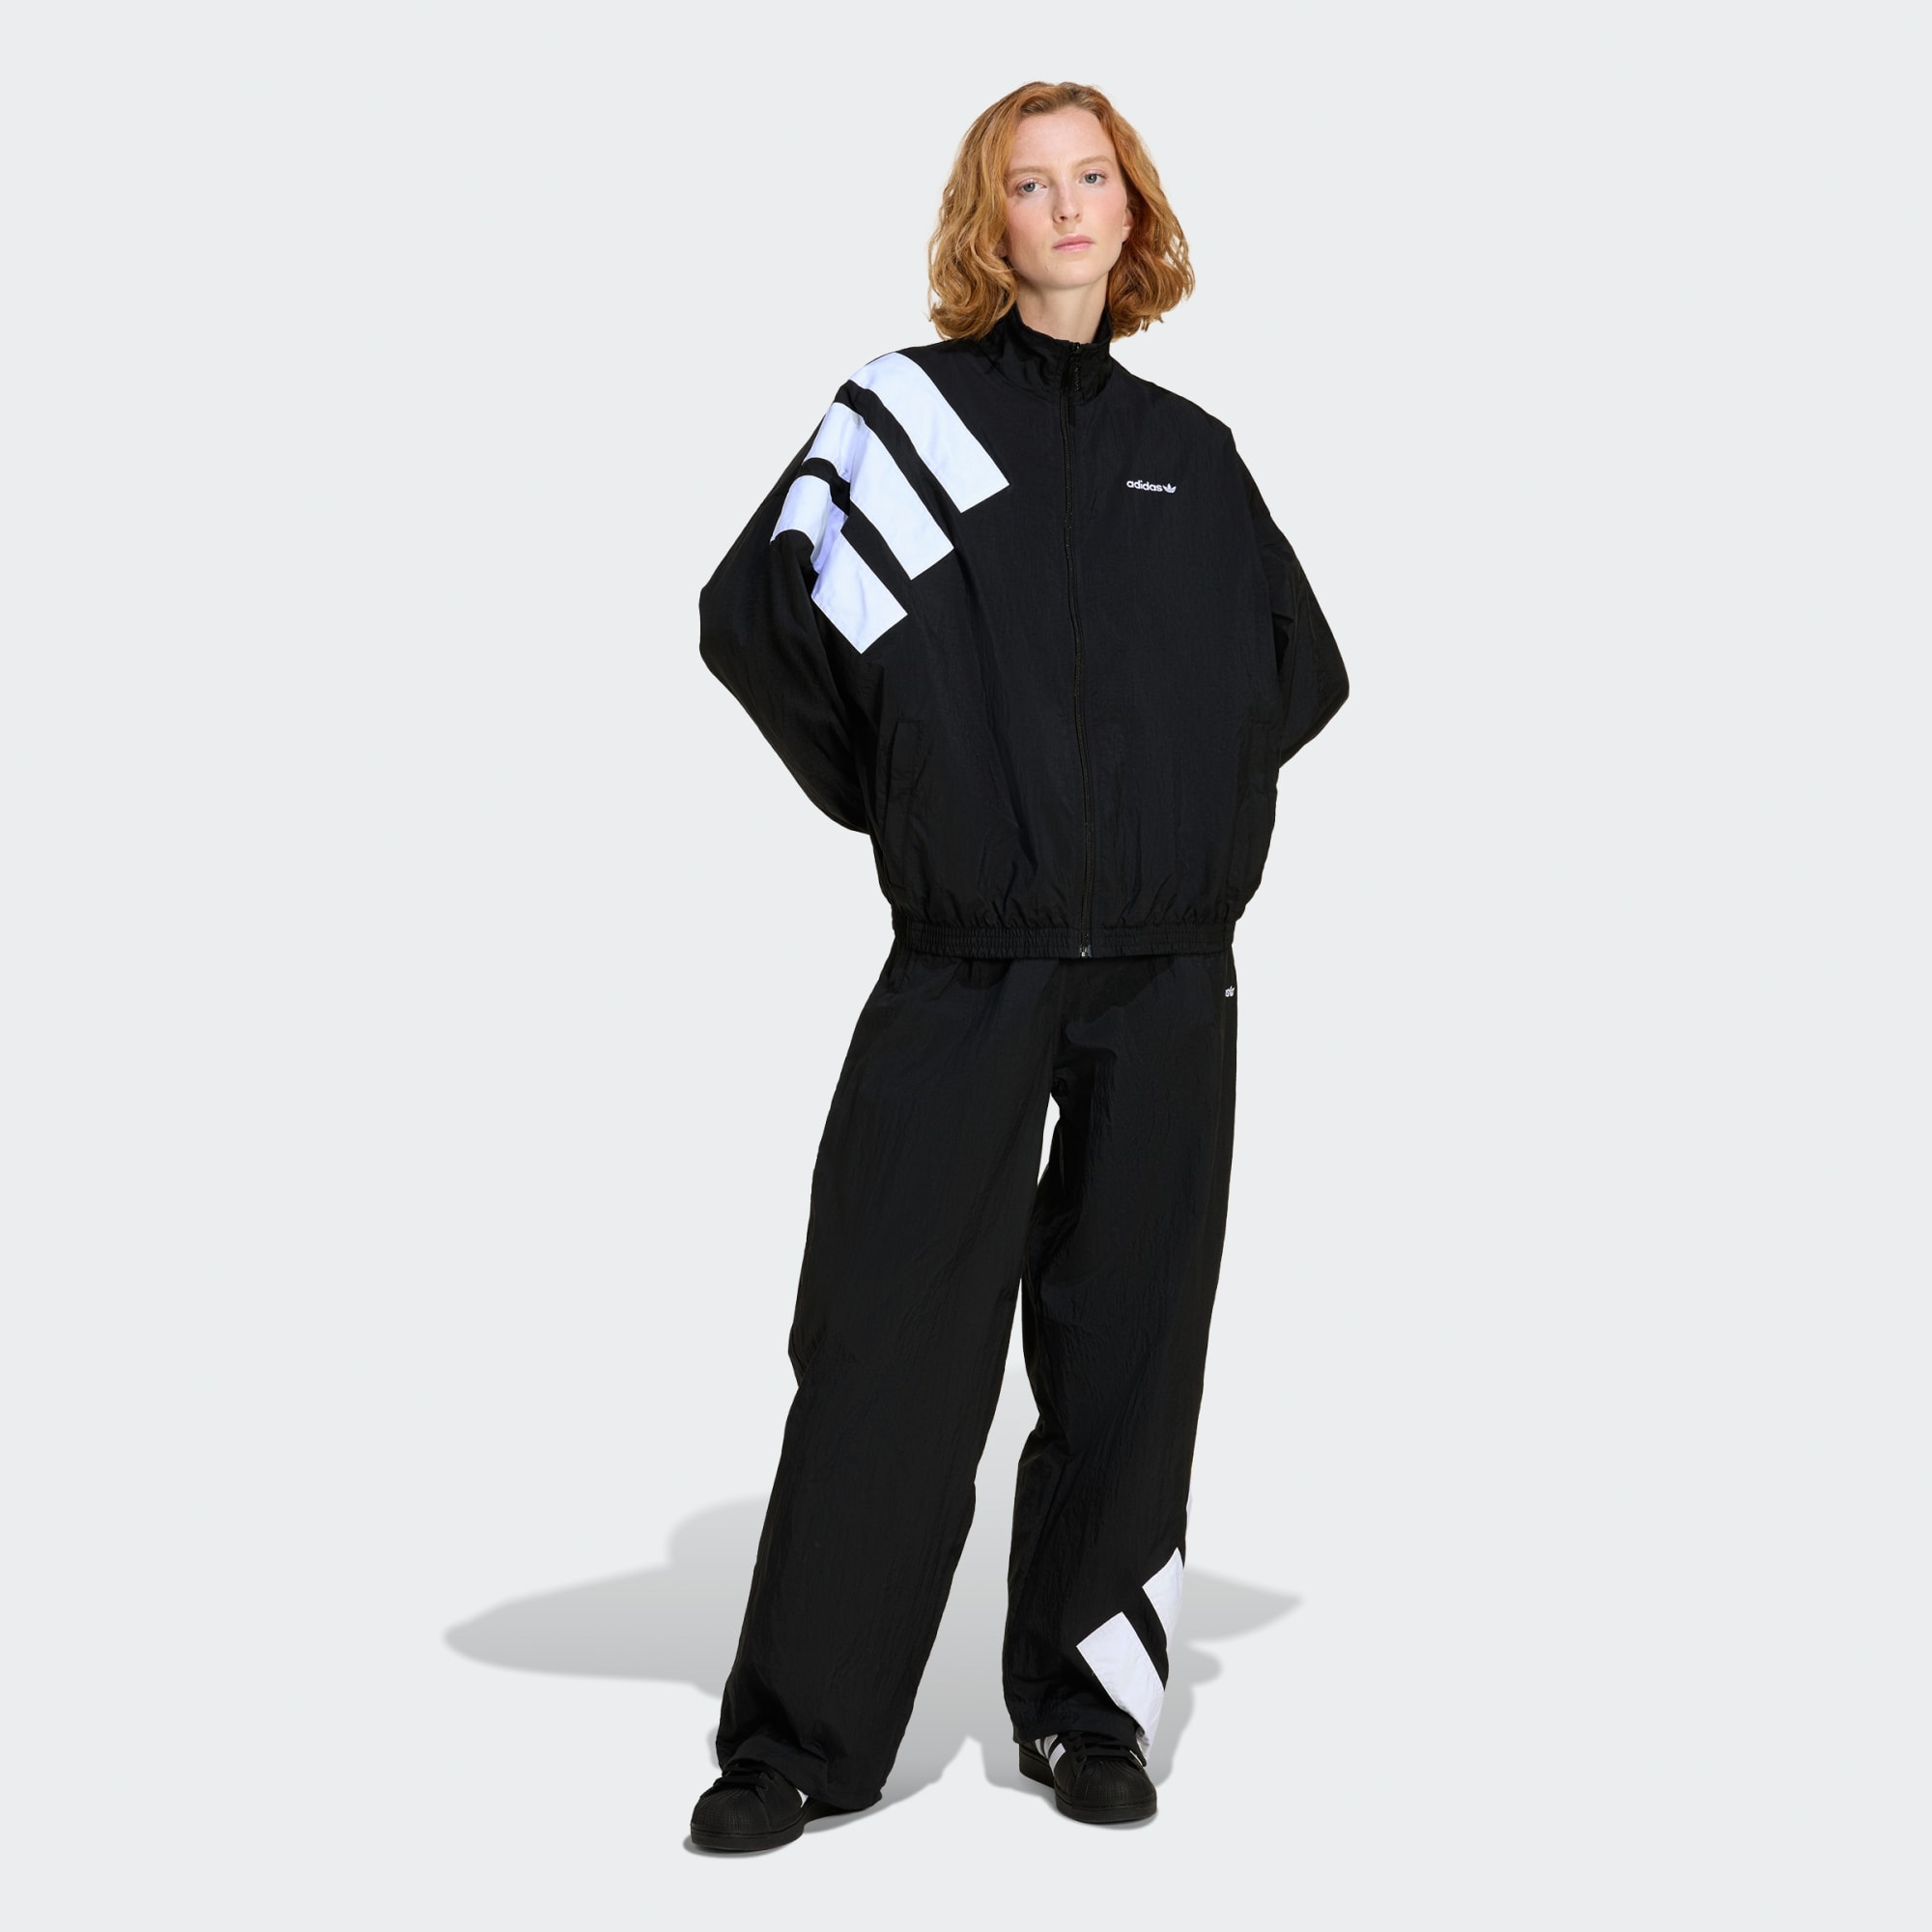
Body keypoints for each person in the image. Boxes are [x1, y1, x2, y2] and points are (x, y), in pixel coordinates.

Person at [687, 78, 1348, 1853]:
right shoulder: (904, 418)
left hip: (1166, 980)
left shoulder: (1193, 455)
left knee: (1131, 1351)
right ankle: (797, 1744)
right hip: (965, 959)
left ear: (1135, 209)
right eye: (1029, 182)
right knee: (888, 1341)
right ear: (988, 219)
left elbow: (1301, 672)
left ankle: (1085, 1713)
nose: (1065, 206)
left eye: (1093, 176)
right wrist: (905, 792)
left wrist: (1186, 833)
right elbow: (755, 618)